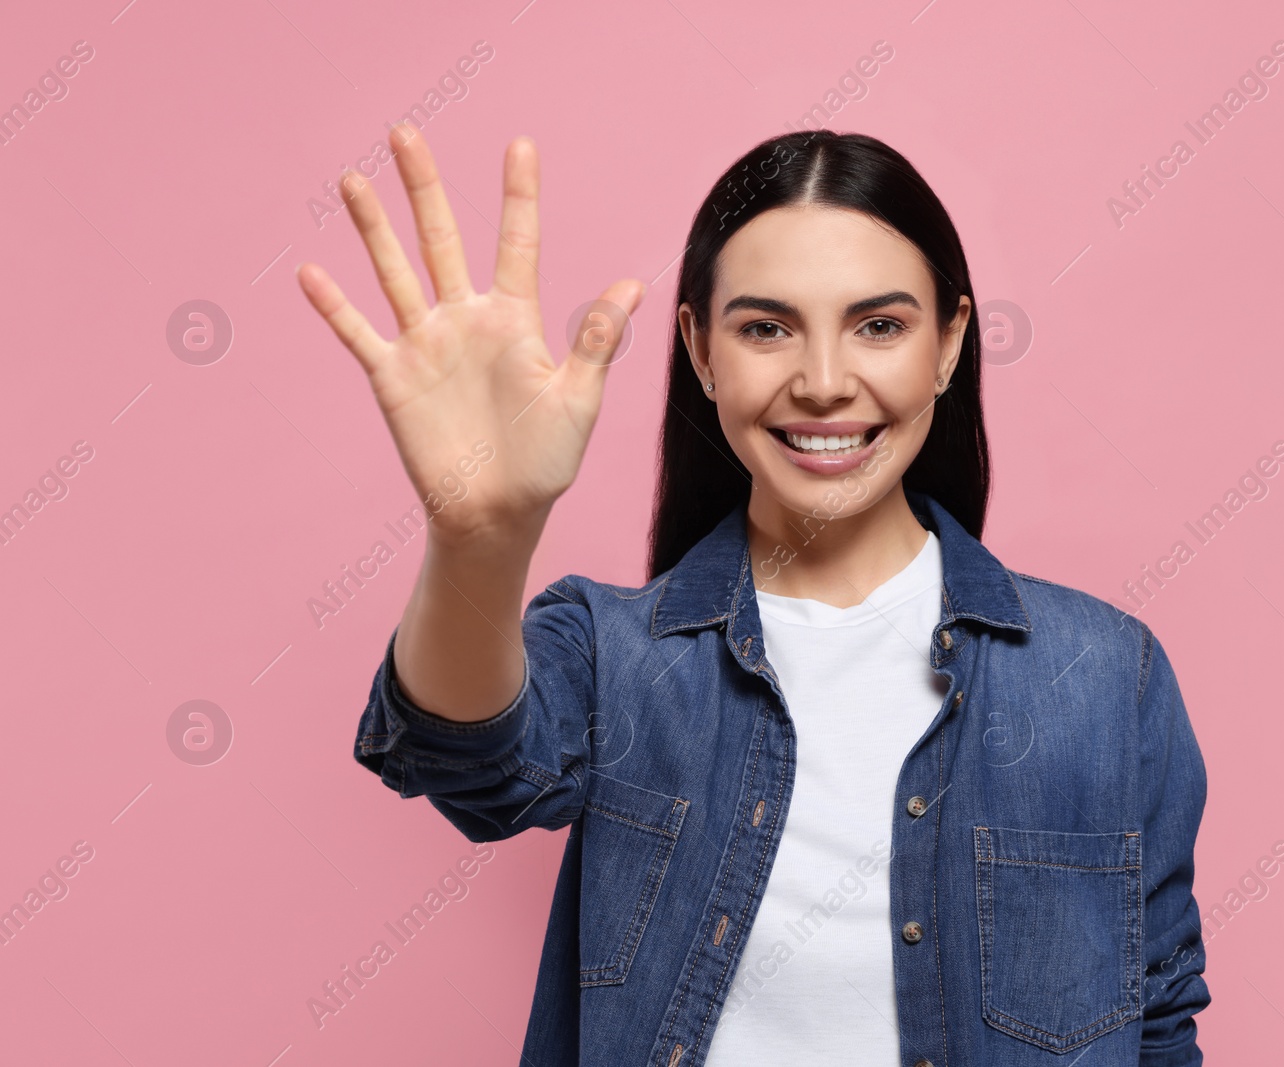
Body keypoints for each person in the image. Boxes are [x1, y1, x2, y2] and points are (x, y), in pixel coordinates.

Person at [296, 119, 1210, 1067]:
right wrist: (477, 537)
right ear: (700, 348)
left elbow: (1157, 1015)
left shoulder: (1105, 676)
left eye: (881, 325)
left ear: (948, 343)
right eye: (766, 328)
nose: (822, 382)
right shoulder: (616, 653)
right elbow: (465, 764)